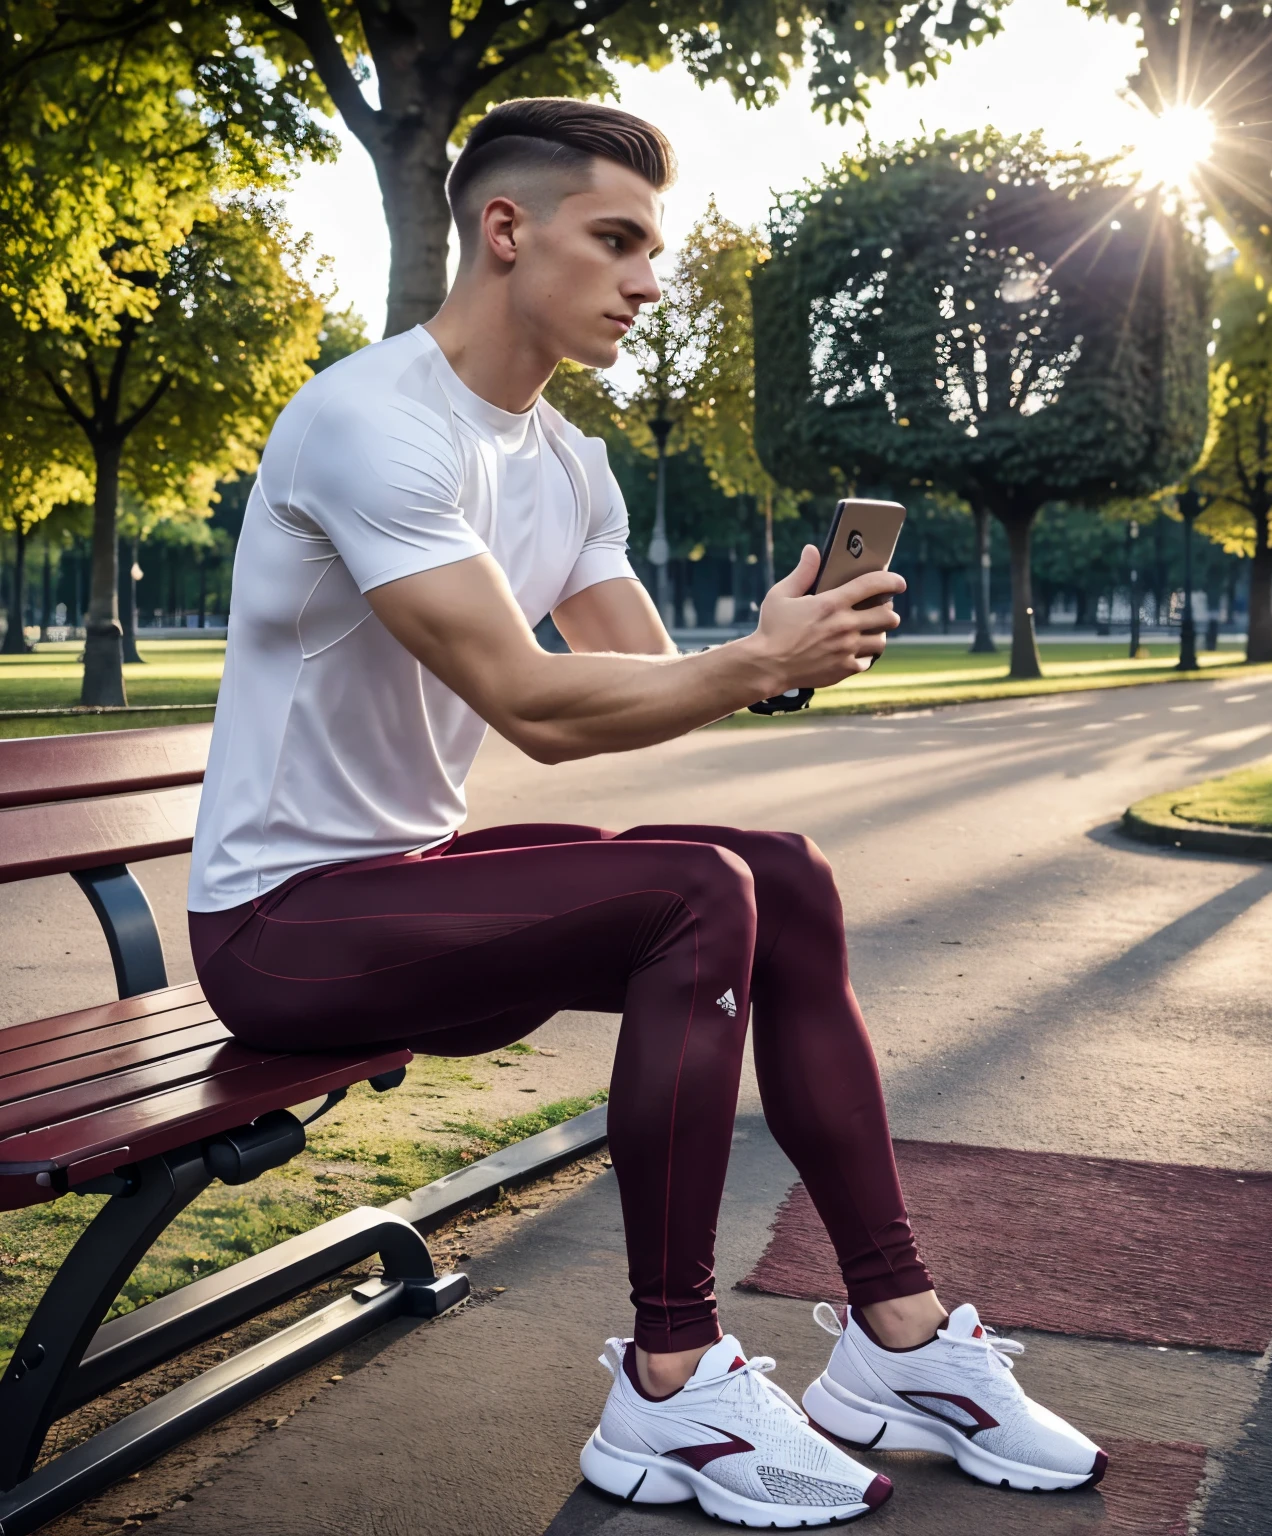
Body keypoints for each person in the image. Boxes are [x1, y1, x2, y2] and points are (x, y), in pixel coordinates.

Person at [186, 98, 1106, 1525]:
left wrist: (773, 653)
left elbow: (640, 671)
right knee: (697, 894)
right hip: (280, 930)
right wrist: (750, 666)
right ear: (506, 231)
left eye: (651, 249)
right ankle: (672, 1381)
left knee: (781, 879)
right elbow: (537, 707)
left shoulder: (566, 463)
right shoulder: (370, 422)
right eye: (615, 240)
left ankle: (900, 1341)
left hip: (411, 895)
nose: (646, 281)